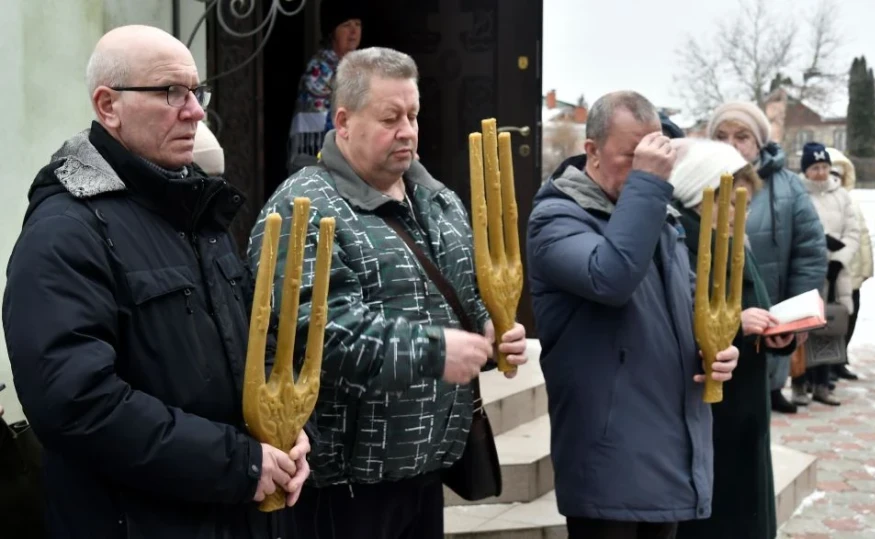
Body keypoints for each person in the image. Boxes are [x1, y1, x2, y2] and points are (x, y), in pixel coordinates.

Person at [2, 25, 308, 538]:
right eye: (171, 92)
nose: (195, 110)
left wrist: (290, 432)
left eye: (196, 91)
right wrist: (238, 463)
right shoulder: (65, 232)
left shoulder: (197, 213)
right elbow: (76, 404)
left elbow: (256, 345)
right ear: (108, 106)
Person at [249, 47, 528, 539]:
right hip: (344, 488)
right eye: (390, 117)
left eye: (413, 115)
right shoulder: (305, 207)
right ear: (344, 121)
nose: (407, 130)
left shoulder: (438, 200)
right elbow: (316, 332)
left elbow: (466, 299)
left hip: (427, 469)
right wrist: (432, 350)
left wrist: (490, 333)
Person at [527, 91, 740, 539]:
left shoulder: (660, 219)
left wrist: (713, 350)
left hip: (668, 444)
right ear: (592, 151)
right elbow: (612, 278)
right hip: (608, 453)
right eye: (632, 156)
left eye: (655, 156)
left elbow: (684, 309)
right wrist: (648, 184)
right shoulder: (556, 219)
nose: (649, 169)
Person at [668, 139, 795, 539]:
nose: (740, 214)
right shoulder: (682, 243)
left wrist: (779, 335)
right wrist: (737, 324)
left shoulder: (732, 239)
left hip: (745, 403)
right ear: (698, 194)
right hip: (712, 409)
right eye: (731, 203)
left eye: (746, 205)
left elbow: (755, 301)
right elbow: (680, 318)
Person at [708, 101, 827, 414]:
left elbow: (810, 251)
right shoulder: (699, 186)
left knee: (756, 407)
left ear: (759, 141)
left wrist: (798, 315)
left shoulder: (787, 186)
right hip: (717, 323)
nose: (730, 144)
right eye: (721, 136)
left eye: (741, 136)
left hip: (773, 319)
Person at [792, 143, 860, 406]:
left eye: (824, 167)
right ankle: (800, 381)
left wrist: (839, 258)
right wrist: (819, 245)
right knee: (802, 326)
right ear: (806, 171)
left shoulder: (841, 195)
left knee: (829, 325)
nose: (820, 172)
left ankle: (822, 382)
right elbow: (796, 228)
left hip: (835, 272)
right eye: (815, 168)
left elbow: (853, 232)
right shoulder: (798, 194)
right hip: (807, 268)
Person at [287, 2, 364, 173]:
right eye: (346, 25)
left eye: (357, 24)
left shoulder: (361, 68)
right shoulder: (319, 71)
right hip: (325, 161)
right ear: (332, 32)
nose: (353, 32)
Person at [826, 147, 871, 379]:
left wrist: (865, 269)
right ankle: (826, 362)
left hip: (852, 273)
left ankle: (840, 358)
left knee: (849, 317)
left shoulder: (851, 202)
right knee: (828, 319)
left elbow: (861, 237)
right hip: (831, 272)